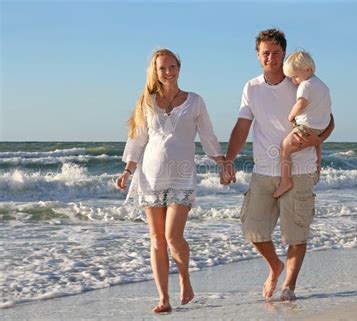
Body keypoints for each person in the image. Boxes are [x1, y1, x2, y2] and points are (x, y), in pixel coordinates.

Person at [221, 29, 334, 301]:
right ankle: (275, 266)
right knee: (252, 229)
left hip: (300, 169)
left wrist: (315, 140)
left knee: (296, 234)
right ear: (258, 56)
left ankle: (289, 287)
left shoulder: (301, 82)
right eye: (265, 53)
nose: (270, 58)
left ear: (284, 53)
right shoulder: (251, 87)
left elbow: (329, 121)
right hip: (264, 170)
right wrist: (228, 160)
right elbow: (242, 126)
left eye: (276, 52)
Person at [116, 49, 225, 313]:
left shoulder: (195, 101)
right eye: (162, 68)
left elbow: (208, 135)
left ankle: (185, 277)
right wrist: (128, 171)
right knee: (156, 240)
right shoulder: (146, 102)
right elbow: (138, 139)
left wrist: (222, 161)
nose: (168, 72)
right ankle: (163, 298)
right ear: (155, 71)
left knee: (173, 237)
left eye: (172, 66)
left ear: (179, 67)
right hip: (150, 177)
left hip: (182, 175)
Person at [272, 51, 332, 198]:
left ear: (308, 70)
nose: (294, 81)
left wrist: (291, 116)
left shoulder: (305, 85)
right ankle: (317, 167)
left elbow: (301, 103)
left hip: (306, 126)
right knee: (316, 143)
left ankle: (286, 181)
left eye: (295, 77)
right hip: (321, 127)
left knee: (285, 148)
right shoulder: (323, 86)